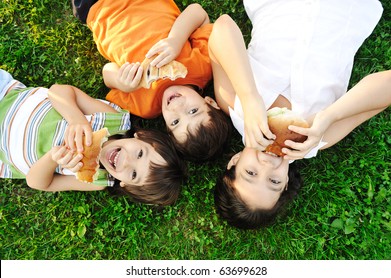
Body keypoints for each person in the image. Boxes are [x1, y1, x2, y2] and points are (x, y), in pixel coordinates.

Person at [207, 0, 388, 228]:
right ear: (285, 184)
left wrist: (249, 96)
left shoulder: (233, 104)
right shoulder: (316, 139)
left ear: (235, 161)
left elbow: (222, 27)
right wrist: (329, 116)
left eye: (251, 173)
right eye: (273, 181)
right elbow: (385, 90)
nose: (266, 165)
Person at [71, 0, 232, 162]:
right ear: (210, 102)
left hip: (99, 12)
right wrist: (175, 40)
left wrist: (121, 82)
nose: (177, 107)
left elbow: (107, 71)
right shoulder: (202, 68)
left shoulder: (145, 108)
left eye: (175, 122)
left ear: (167, 128)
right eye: (193, 111)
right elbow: (198, 12)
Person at [0, 69, 187, 206]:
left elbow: (37, 183)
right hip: (7, 98)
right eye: (139, 154)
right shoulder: (113, 120)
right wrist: (76, 119)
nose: (127, 161)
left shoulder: (95, 180)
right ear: (141, 137)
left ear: (126, 185)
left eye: (134, 174)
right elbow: (57, 91)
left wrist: (52, 158)